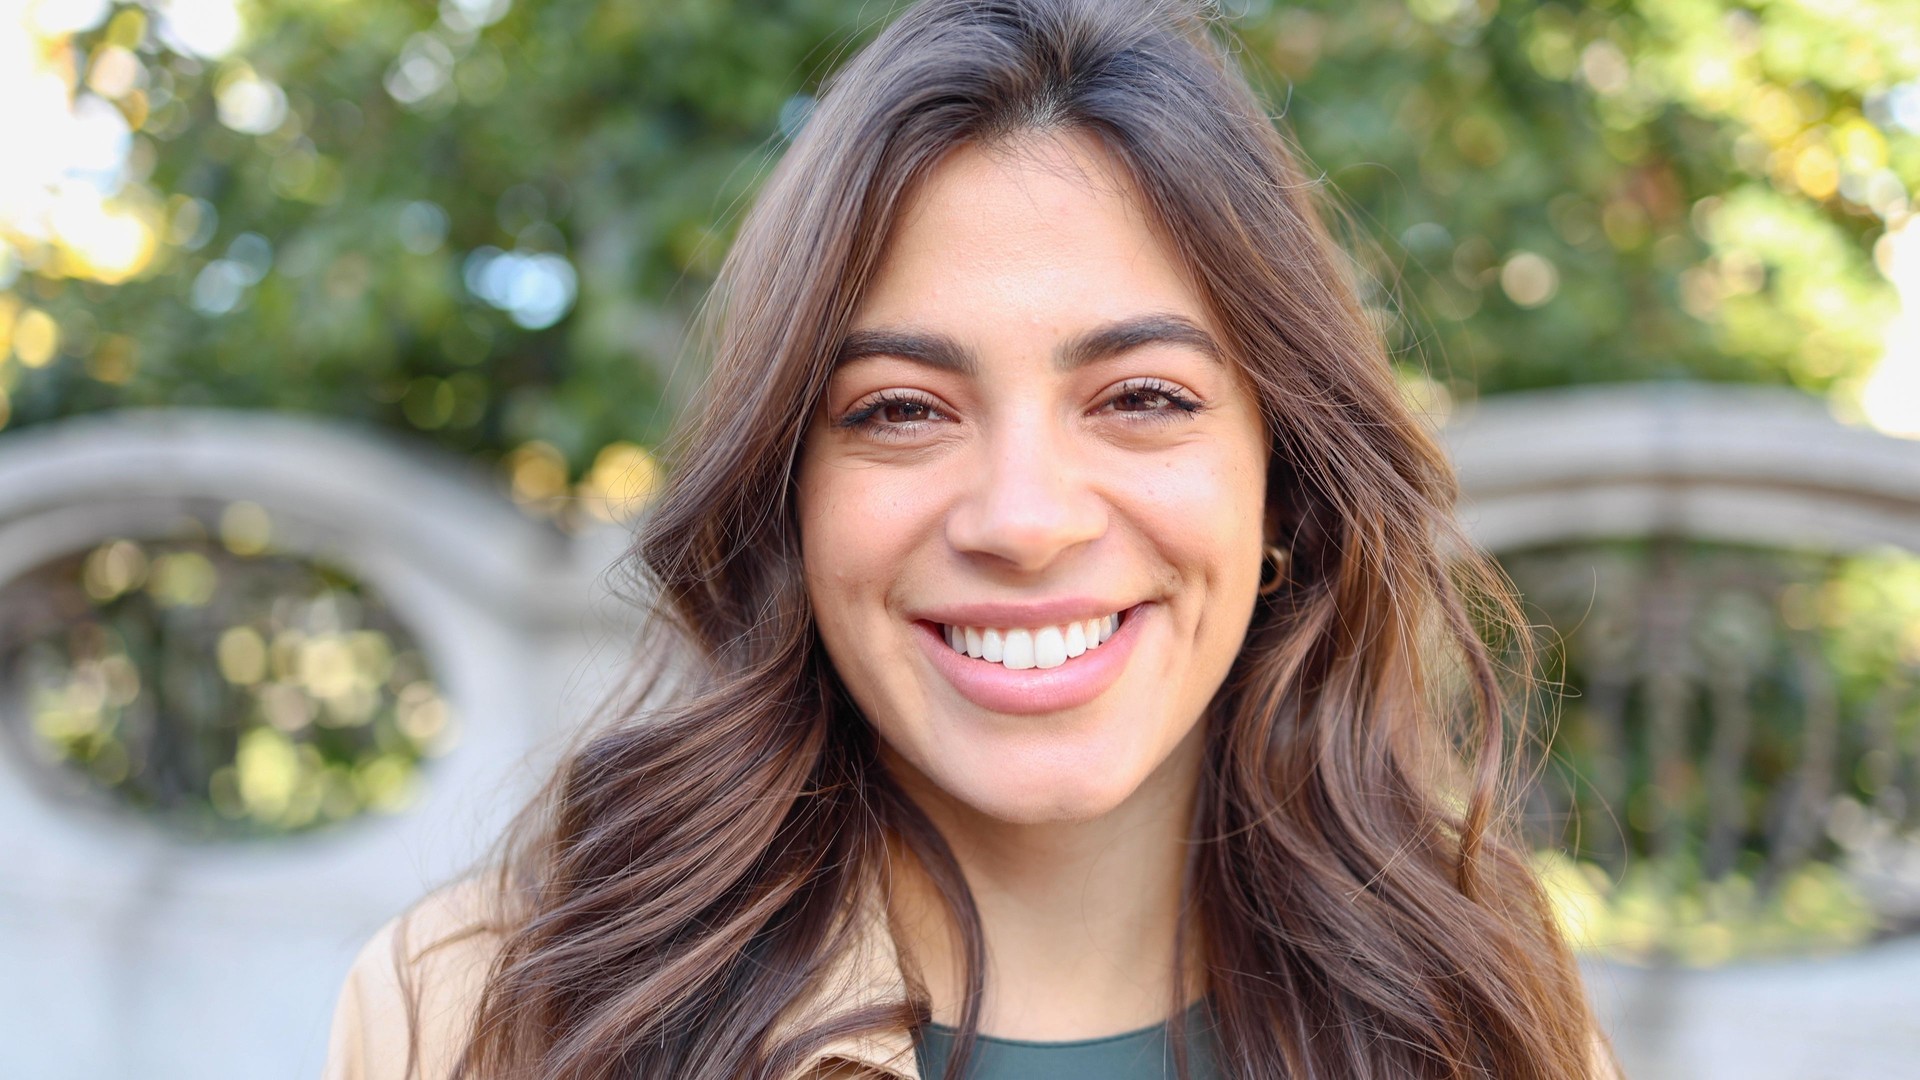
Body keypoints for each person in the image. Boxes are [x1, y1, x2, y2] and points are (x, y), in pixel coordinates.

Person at [324, 1, 1617, 1077]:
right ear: (789, 490)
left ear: (1283, 481)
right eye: (899, 412)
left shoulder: (1475, 1008)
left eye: (1143, 399)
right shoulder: (491, 1012)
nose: (1023, 519)